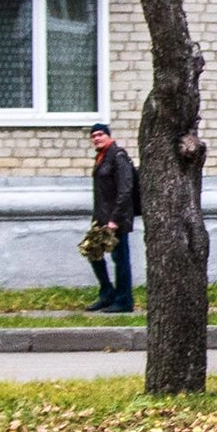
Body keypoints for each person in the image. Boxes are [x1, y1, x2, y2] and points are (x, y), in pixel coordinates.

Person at [85, 123, 135, 313]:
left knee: (120, 259)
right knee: (92, 252)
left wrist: (115, 219)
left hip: (116, 219)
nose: (96, 138)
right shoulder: (102, 157)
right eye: (93, 136)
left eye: (99, 134)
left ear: (108, 136)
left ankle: (124, 301)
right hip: (101, 219)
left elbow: (126, 189)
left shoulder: (118, 156)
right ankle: (107, 292)